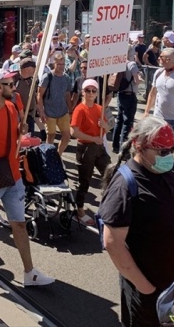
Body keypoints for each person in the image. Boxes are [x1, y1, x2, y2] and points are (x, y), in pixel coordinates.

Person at [98, 117, 174, 326]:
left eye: (171, 150)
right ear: (139, 147)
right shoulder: (125, 185)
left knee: (172, 323)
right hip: (150, 294)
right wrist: (145, 288)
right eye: (162, 152)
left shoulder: (173, 170)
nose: (168, 156)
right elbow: (112, 242)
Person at [0, 69, 55, 287]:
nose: (14, 87)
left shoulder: (12, 108)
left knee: (20, 224)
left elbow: (14, 136)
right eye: (9, 84)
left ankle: (29, 272)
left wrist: (20, 130)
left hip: (14, 177)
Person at [70, 79, 111, 224]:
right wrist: (92, 138)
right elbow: (74, 132)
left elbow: (107, 129)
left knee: (111, 175)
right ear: (83, 91)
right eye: (88, 90)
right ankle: (79, 210)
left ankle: (110, 207)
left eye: (94, 91)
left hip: (99, 148)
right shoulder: (79, 109)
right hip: (86, 148)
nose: (91, 93)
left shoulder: (99, 109)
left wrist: (105, 125)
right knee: (84, 181)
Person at [38, 53, 73, 156]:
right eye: (59, 64)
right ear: (54, 64)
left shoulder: (66, 78)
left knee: (67, 136)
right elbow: (39, 95)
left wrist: (70, 109)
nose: (61, 66)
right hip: (49, 112)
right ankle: (48, 157)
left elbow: (67, 95)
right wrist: (41, 111)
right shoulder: (47, 77)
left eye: (63, 64)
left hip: (63, 112)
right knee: (51, 136)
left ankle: (58, 155)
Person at [111, 56, 141, 154]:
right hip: (129, 95)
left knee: (119, 121)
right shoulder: (132, 65)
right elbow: (137, 81)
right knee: (127, 122)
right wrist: (140, 78)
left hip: (120, 95)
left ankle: (115, 145)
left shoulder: (118, 64)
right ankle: (123, 149)